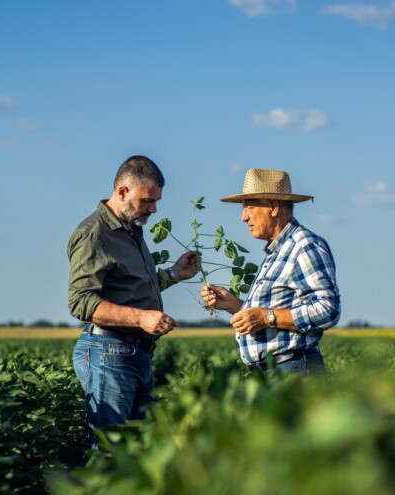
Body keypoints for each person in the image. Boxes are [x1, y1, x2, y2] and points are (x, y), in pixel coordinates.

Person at [68, 155, 200, 431]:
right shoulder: (95, 234)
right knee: (112, 451)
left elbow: (132, 287)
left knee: (140, 448)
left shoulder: (130, 230)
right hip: (109, 352)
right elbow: (81, 302)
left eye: (155, 202)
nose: (153, 209)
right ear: (122, 192)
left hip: (135, 354)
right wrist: (141, 319)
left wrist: (175, 273)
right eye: (147, 201)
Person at [201, 168, 341, 373]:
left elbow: (329, 310)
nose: (243, 217)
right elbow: (273, 314)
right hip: (276, 370)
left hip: (293, 369)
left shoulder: (304, 245)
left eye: (249, 207)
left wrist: (266, 317)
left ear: (273, 207)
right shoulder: (278, 251)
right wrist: (236, 306)